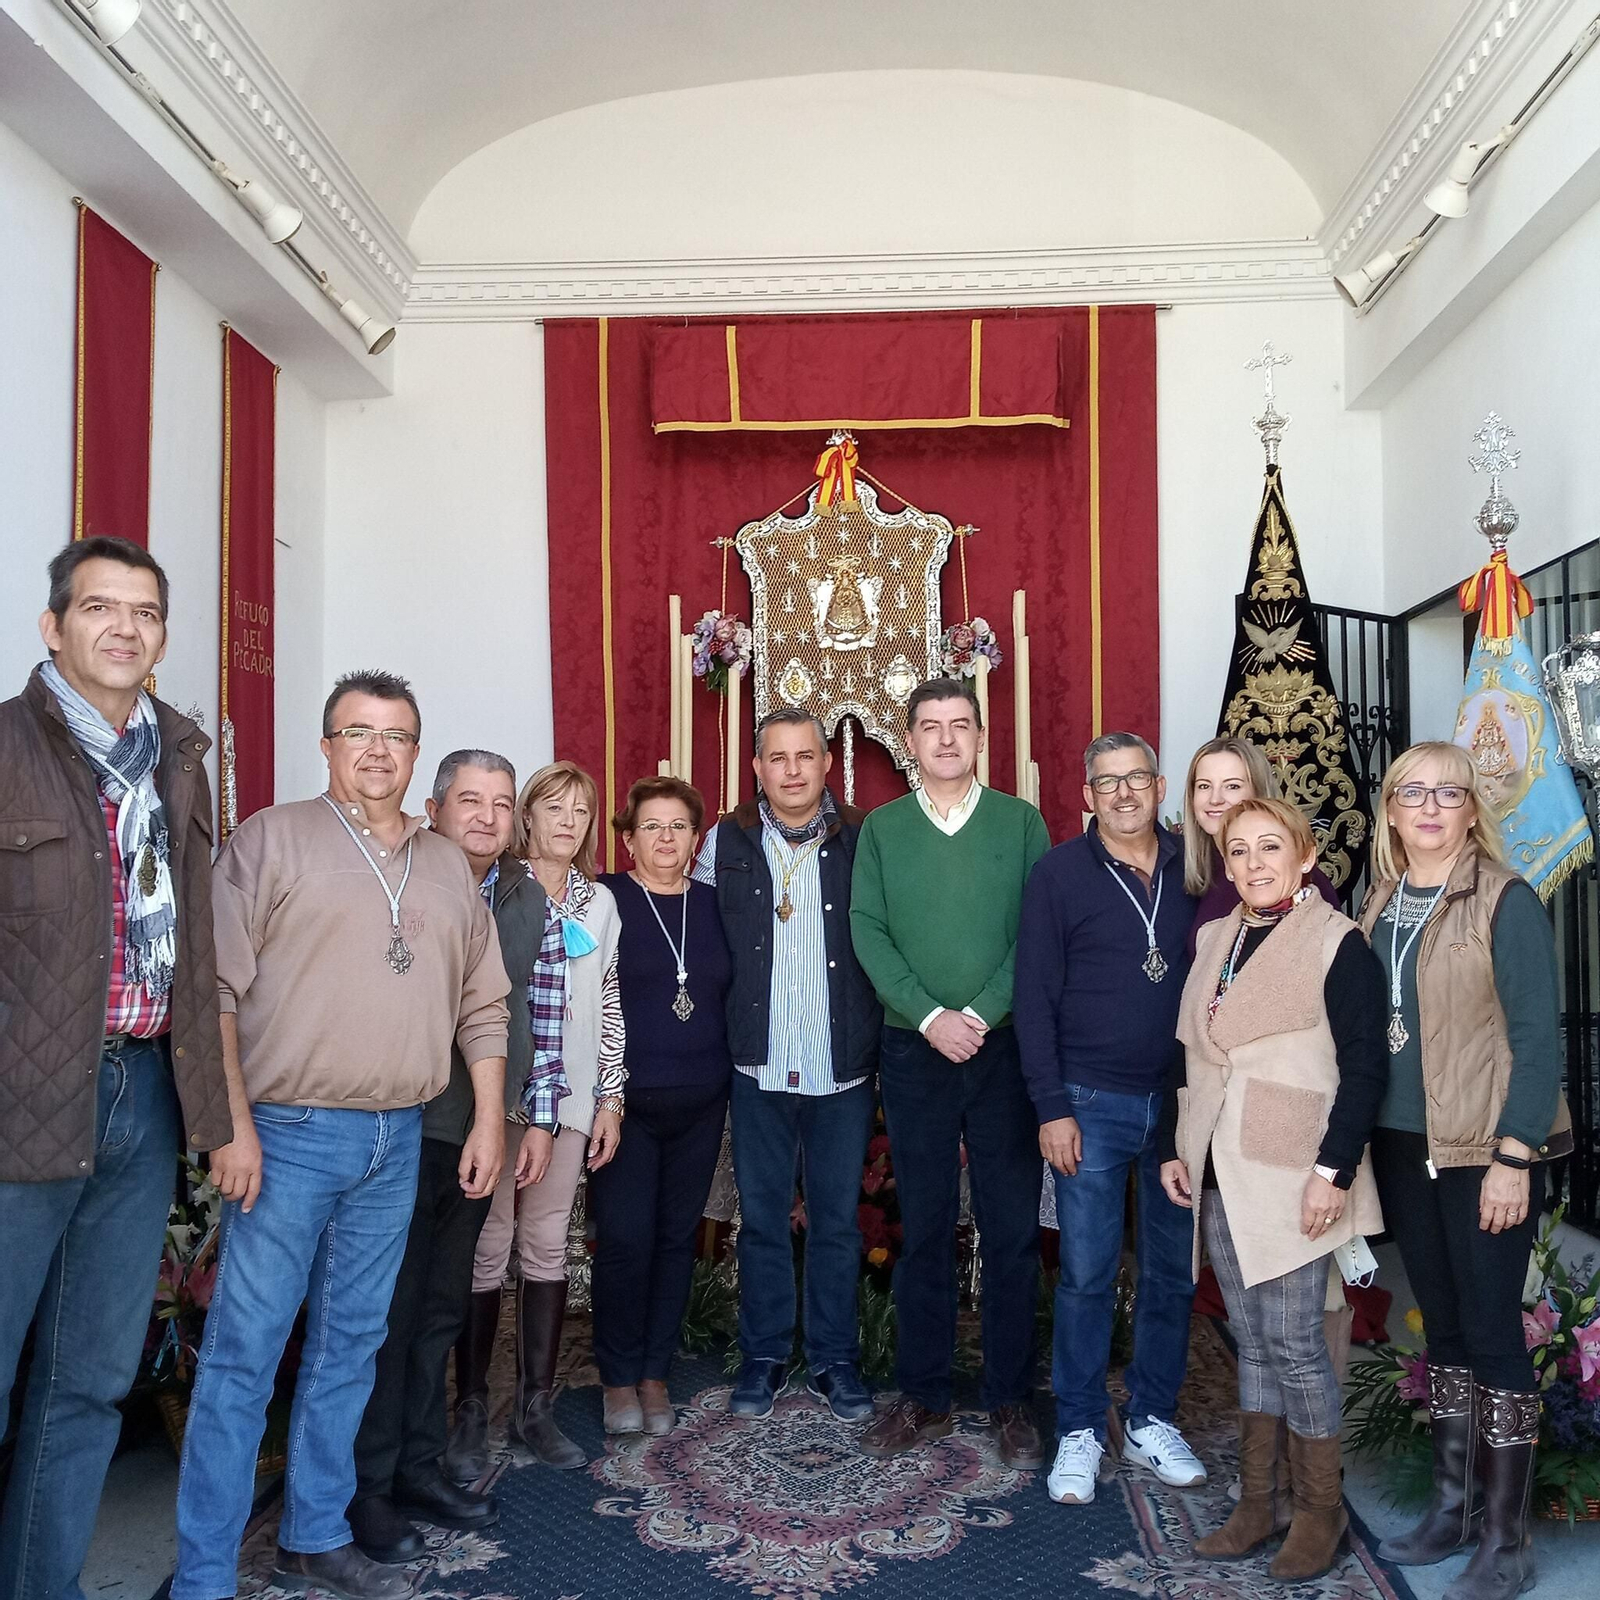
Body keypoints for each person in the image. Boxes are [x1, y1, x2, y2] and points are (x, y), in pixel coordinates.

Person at [171, 671, 511, 1600]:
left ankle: (315, 1535)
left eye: (395, 736)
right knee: (245, 1354)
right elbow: (214, 991)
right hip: (287, 1134)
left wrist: (488, 1117)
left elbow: (483, 1006)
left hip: (398, 1137)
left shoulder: (446, 865)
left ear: (416, 753)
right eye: (357, 732)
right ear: (326, 747)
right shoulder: (272, 839)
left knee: (352, 1347)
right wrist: (230, 1126)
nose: (376, 750)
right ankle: (203, 1575)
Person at [0, 538, 243, 1600]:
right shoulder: (7, 747)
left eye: (143, 612)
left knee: (88, 1384)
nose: (123, 627)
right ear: (53, 626)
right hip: (20, 1101)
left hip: (143, 1094)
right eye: (99, 606)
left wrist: (215, 1112)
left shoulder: (176, 758)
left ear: (162, 637)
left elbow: (197, 949)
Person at [1358, 743, 1568, 1600]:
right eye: (1413, 792)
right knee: (1441, 1329)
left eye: (1449, 793)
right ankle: (1453, 1512)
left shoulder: (1506, 900)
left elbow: (1538, 1040)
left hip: (1486, 1149)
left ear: (1472, 810)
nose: (1430, 807)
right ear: (1391, 809)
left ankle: (1507, 1544)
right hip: (1404, 1144)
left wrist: (1516, 1154)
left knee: (1489, 1331)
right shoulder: (1379, 899)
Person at [1160, 797, 1387, 1580]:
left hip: (1297, 1171)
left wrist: (1334, 1171)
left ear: (1303, 857)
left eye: (1270, 847)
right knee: (1252, 1340)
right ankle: (1260, 1501)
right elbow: (1191, 1051)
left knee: (1294, 1343)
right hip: (1220, 1165)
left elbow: (1366, 1066)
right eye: (1239, 850)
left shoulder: (1336, 941)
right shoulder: (1216, 937)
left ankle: (1320, 1512)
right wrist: (1178, 1147)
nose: (1254, 863)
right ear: (1225, 864)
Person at [850, 678, 1050, 1469]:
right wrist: (931, 1016)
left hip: (1002, 1049)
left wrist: (983, 1012)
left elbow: (1036, 932)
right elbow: (867, 928)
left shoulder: (1020, 822)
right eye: (930, 726)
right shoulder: (883, 829)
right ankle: (925, 1392)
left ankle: (1009, 1397)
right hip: (915, 1047)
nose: (944, 739)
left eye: (959, 725)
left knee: (1010, 1230)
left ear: (980, 737)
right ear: (909, 740)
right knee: (925, 1227)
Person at [347, 750, 534, 1564]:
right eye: (470, 801)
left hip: (477, 1132)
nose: (487, 817)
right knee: (385, 1318)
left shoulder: (524, 893)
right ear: (434, 808)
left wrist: (516, 1118)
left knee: (439, 1312)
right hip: (401, 1131)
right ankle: (366, 1489)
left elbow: (520, 1014)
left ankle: (419, 1469)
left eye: (501, 803)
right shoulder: (400, 878)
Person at [1014, 732, 1202, 1506]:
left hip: (1184, 1107)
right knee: (1087, 1277)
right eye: (1107, 781)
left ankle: (1152, 1417)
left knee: (1171, 1275)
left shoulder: (1199, 866)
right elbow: (1033, 997)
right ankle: (1082, 1428)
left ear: (1159, 787)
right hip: (1089, 1103)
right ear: (1086, 796)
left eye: (1136, 778)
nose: (1123, 792)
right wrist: (1051, 1106)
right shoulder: (1058, 874)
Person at [693, 708, 882, 1422]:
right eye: (778, 758)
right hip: (758, 1066)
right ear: (757, 768)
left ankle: (835, 1360)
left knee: (836, 1223)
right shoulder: (725, 840)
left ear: (827, 763)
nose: (793, 770)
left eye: (806, 756)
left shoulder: (865, 836)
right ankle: (765, 1355)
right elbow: (700, 939)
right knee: (763, 1222)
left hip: (841, 1067)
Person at [447, 761, 623, 1479]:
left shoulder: (599, 902)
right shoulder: (497, 885)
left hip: (569, 1098)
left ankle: (534, 1410)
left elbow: (608, 1002)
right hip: (495, 1097)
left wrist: (610, 1097)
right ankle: (469, 1410)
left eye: (581, 811)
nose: (569, 823)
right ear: (527, 815)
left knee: (547, 1245)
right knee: (487, 1246)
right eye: (555, 808)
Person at [592, 777, 731, 1435]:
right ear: (628, 839)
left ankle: (654, 1374)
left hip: (702, 1102)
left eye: (678, 825)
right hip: (624, 1108)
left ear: (696, 838)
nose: (666, 837)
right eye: (651, 826)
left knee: (677, 1241)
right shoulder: (605, 899)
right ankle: (617, 1378)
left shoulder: (716, 905)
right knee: (625, 1240)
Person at [1182, 735, 1338, 957]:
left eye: (1232, 786)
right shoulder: (1196, 865)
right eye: (1204, 786)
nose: (1215, 799)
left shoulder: (1298, 876)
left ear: (1258, 793)